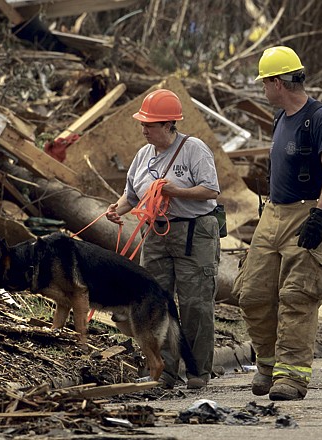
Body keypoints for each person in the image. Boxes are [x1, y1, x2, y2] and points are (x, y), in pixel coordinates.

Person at [236, 46, 322, 401]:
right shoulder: (281, 119)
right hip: (274, 213)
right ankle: (267, 366)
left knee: (298, 297)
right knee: (252, 292)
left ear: (278, 82)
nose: (263, 91)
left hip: (308, 213)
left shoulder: (320, 118)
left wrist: (320, 214)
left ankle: (292, 377)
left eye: (265, 84)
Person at [105, 89, 221, 390]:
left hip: (193, 232)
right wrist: (116, 210)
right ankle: (164, 370)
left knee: (195, 303)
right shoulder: (143, 155)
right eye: (142, 123)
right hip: (155, 233)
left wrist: (175, 191)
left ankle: (197, 371)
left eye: (150, 124)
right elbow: (131, 195)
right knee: (154, 303)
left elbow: (210, 191)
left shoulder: (194, 149)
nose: (144, 129)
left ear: (169, 124)